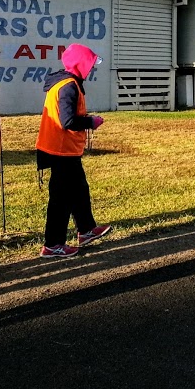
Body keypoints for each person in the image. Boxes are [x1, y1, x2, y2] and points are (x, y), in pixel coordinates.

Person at [36, 44, 112, 257]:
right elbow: (68, 121)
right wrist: (91, 121)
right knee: (61, 199)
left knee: (79, 189)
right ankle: (53, 245)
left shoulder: (66, 82)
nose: (91, 69)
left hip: (65, 149)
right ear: (80, 64)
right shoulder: (68, 86)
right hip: (61, 150)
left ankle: (86, 230)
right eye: (89, 64)